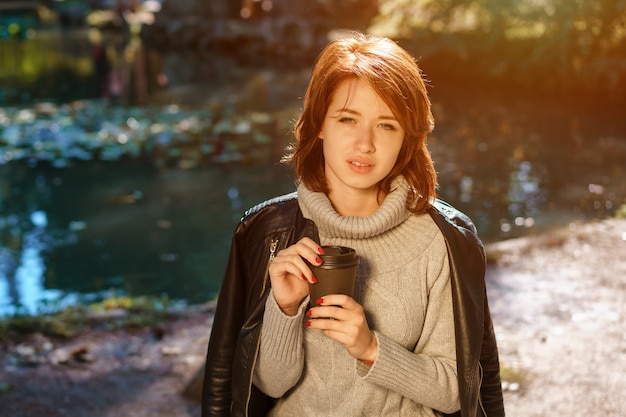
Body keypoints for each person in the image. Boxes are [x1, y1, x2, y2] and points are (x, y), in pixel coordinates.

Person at [201, 33, 505, 417]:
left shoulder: (442, 241)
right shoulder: (267, 233)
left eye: (386, 125)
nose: (365, 144)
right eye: (348, 119)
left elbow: (455, 391)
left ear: (406, 140)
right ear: (319, 124)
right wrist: (285, 307)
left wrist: (370, 347)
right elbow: (266, 386)